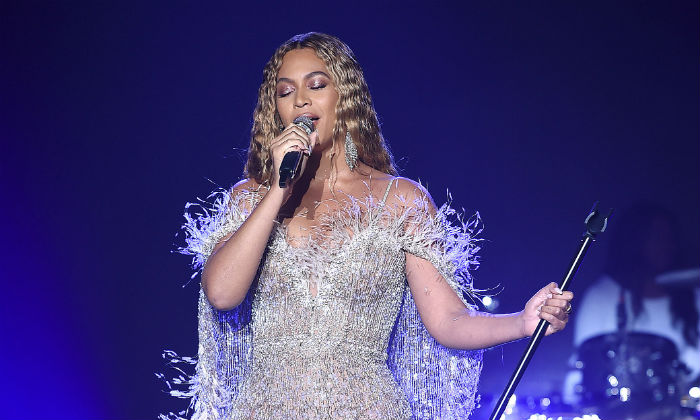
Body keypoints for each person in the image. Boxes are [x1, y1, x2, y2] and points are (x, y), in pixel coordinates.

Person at [166, 32, 574, 420]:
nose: (301, 101)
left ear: (346, 97)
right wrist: (277, 188)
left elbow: (447, 321)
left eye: (316, 85)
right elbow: (221, 293)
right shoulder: (250, 199)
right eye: (286, 92)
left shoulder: (400, 200)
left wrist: (522, 321)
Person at [568, 203, 699, 419]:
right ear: (634, 242)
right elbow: (586, 371)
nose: (665, 245)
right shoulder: (602, 296)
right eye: (656, 236)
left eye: (669, 237)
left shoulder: (693, 299)